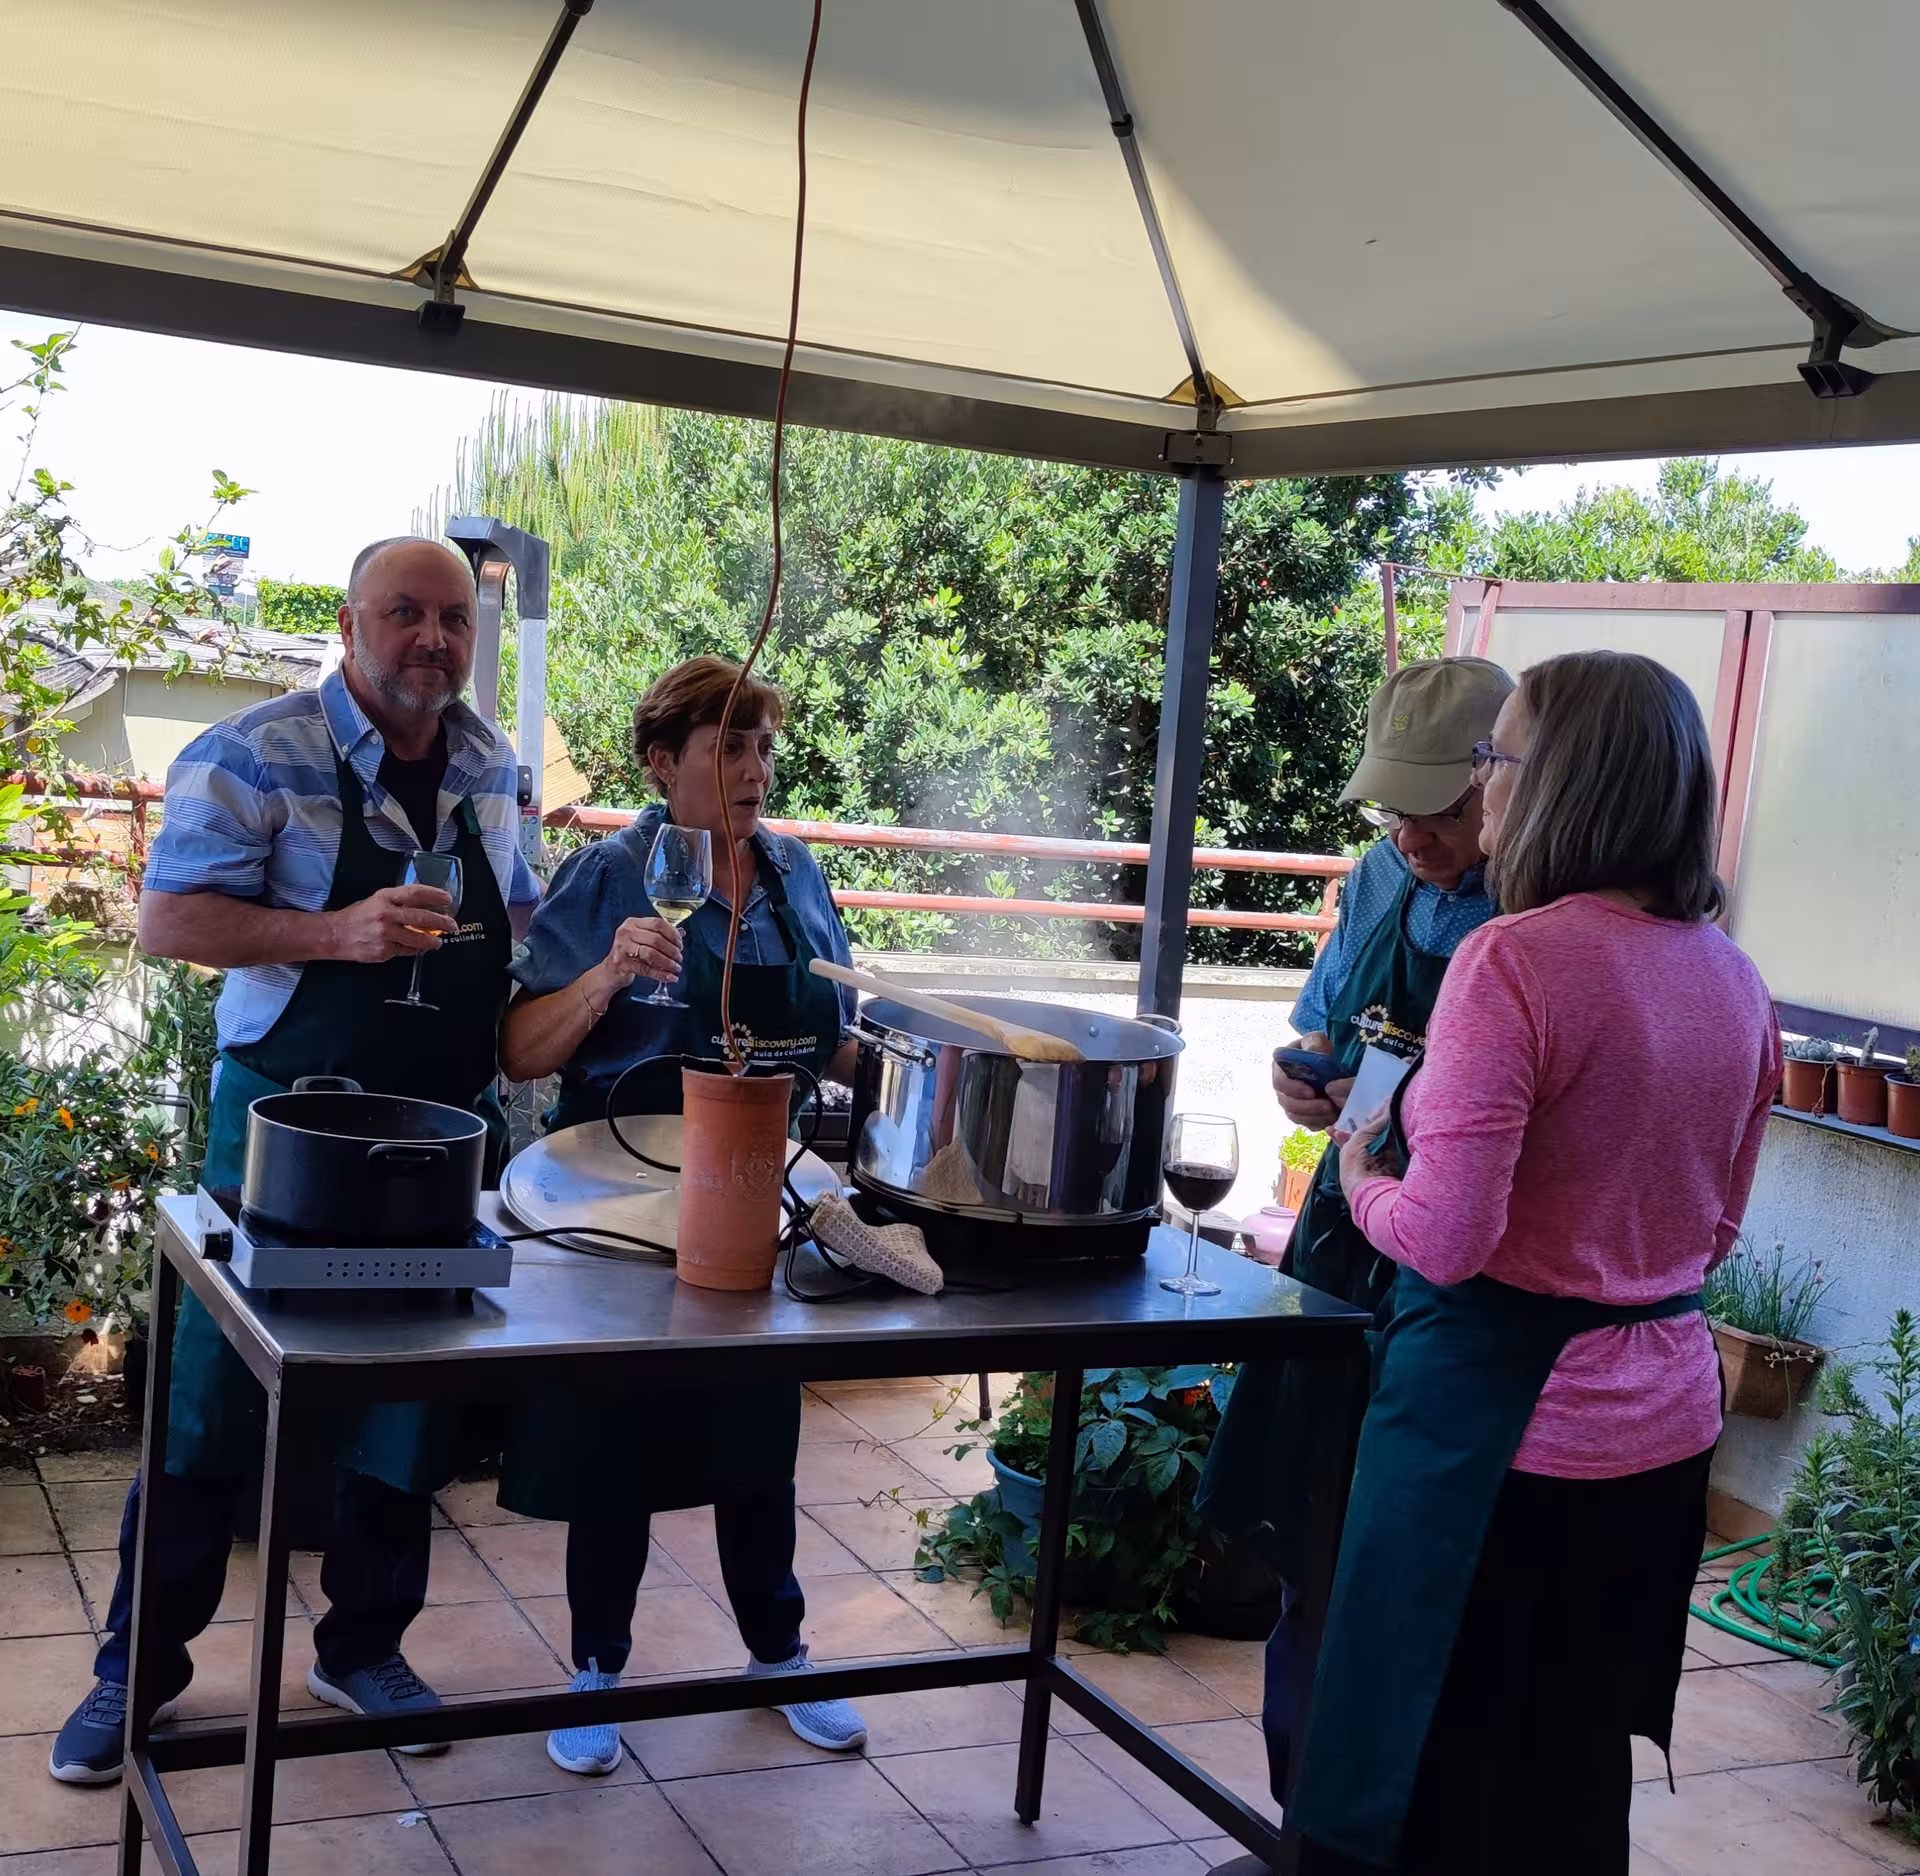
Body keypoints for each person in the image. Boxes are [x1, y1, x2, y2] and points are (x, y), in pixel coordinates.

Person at [50, 538, 539, 1784]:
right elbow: (170, 917)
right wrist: (340, 932)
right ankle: (137, 1670)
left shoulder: (492, 765)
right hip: (278, 1139)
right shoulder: (251, 752)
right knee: (207, 1411)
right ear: (348, 622)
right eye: (404, 613)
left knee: (401, 1410)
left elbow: (516, 927)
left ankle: (362, 1646)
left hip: (441, 1143)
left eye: (452, 619)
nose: (433, 637)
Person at [1288, 651, 1779, 1874]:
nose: (1482, 785)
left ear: (1560, 780)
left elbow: (1448, 1237)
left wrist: (1363, 1176)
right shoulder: (1736, 978)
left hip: (1498, 1437)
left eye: (1497, 757)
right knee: (1568, 1768)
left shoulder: (1516, 960)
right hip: (1661, 1430)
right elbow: (1715, 1232)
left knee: (1432, 1771)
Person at [496, 654, 866, 1775]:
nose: (754, 770)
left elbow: (841, 1037)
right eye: (727, 747)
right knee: (617, 1438)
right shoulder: (611, 875)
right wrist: (607, 975)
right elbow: (519, 1049)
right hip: (616, 1195)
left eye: (762, 747)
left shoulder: (799, 875)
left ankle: (780, 1652)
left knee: (758, 1434)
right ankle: (595, 1670)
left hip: (755, 1191)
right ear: (663, 765)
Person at [1194, 656, 1512, 1814]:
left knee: (1419, 1573)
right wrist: (1309, 1081)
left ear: (1504, 780)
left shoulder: (1534, 916)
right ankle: (1306, 1819)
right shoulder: (1379, 877)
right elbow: (1331, 1025)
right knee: (1311, 1544)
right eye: (1395, 803)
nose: (1412, 831)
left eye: (1437, 804)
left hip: (1457, 1274)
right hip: (1344, 1239)